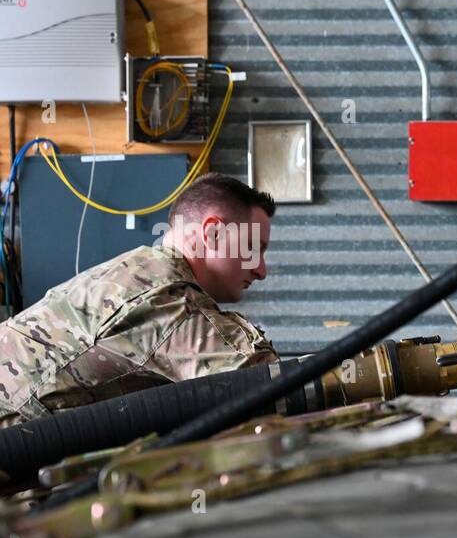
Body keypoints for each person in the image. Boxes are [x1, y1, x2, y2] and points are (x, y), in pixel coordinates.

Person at [0, 173, 278, 428]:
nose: (261, 270)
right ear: (213, 233)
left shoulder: (141, 267)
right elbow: (266, 384)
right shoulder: (165, 299)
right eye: (253, 248)